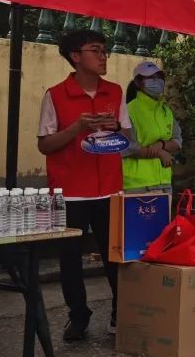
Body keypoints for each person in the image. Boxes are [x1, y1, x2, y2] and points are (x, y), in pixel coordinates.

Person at [38, 30, 130, 341]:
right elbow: (45, 145)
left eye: (105, 51)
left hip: (110, 189)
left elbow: (128, 139)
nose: (103, 56)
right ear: (75, 56)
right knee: (70, 259)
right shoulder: (56, 94)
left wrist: (114, 126)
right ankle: (78, 316)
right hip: (71, 190)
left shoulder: (115, 92)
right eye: (96, 50)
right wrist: (76, 128)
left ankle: (121, 312)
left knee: (114, 254)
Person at [122, 61, 182, 194]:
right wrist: (160, 153)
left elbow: (177, 141)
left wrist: (161, 145)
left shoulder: (166, 111)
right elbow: (128, 147)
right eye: (151, 78)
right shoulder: (129, 110)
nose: (158, 81)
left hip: (164, 183)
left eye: (160, 78)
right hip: (137, 185)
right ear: (138, 83)